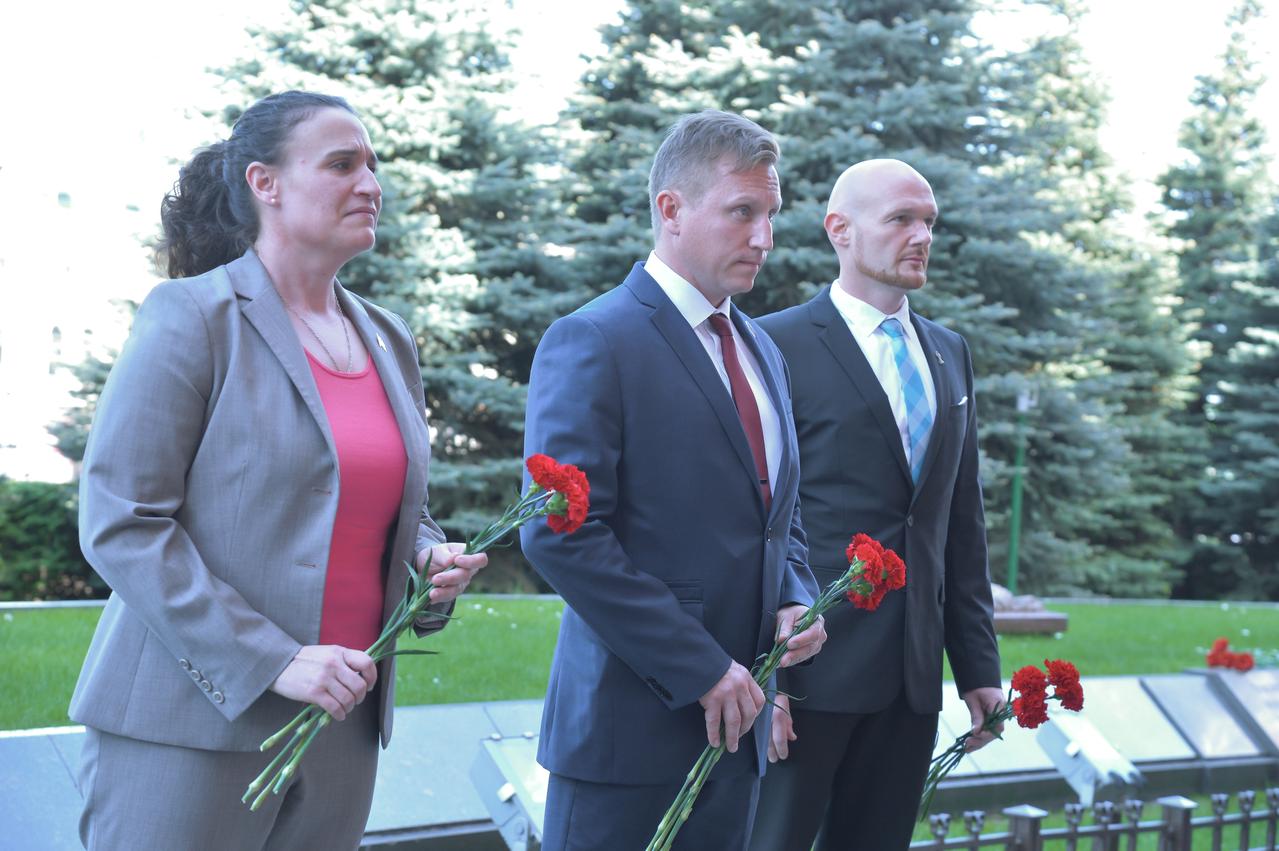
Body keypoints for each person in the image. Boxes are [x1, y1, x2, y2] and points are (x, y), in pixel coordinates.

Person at [70, 90, 486, 850]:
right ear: (265, 183)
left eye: (372, 165)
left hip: (343, 732)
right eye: (341, 163)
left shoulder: (389, 338)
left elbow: (382, 500)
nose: (370, 183)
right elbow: (121, 521)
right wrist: (273, 660)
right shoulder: (191, 317)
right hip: (190, 729)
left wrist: (427, 555)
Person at [519, 109, 828, 850]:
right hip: (626, 741)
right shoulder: (593, 338)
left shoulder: (762, 350)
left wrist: (796, 598)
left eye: (771, 214)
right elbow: (559, 534)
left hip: (739, 736)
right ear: (671, 209)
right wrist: (699, 667)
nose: (764, 237)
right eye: (742, 212)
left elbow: (778, 521)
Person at [749, 159, 1004, 850]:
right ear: (840, 230)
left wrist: (977, 668)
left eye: (928, 221)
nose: (921, 235)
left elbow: (958, 523)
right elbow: (753, 518)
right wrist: (761, 674)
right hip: (807, 676)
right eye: (900, 219)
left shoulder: (949, 353)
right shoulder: (771, 343)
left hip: (912, 681)